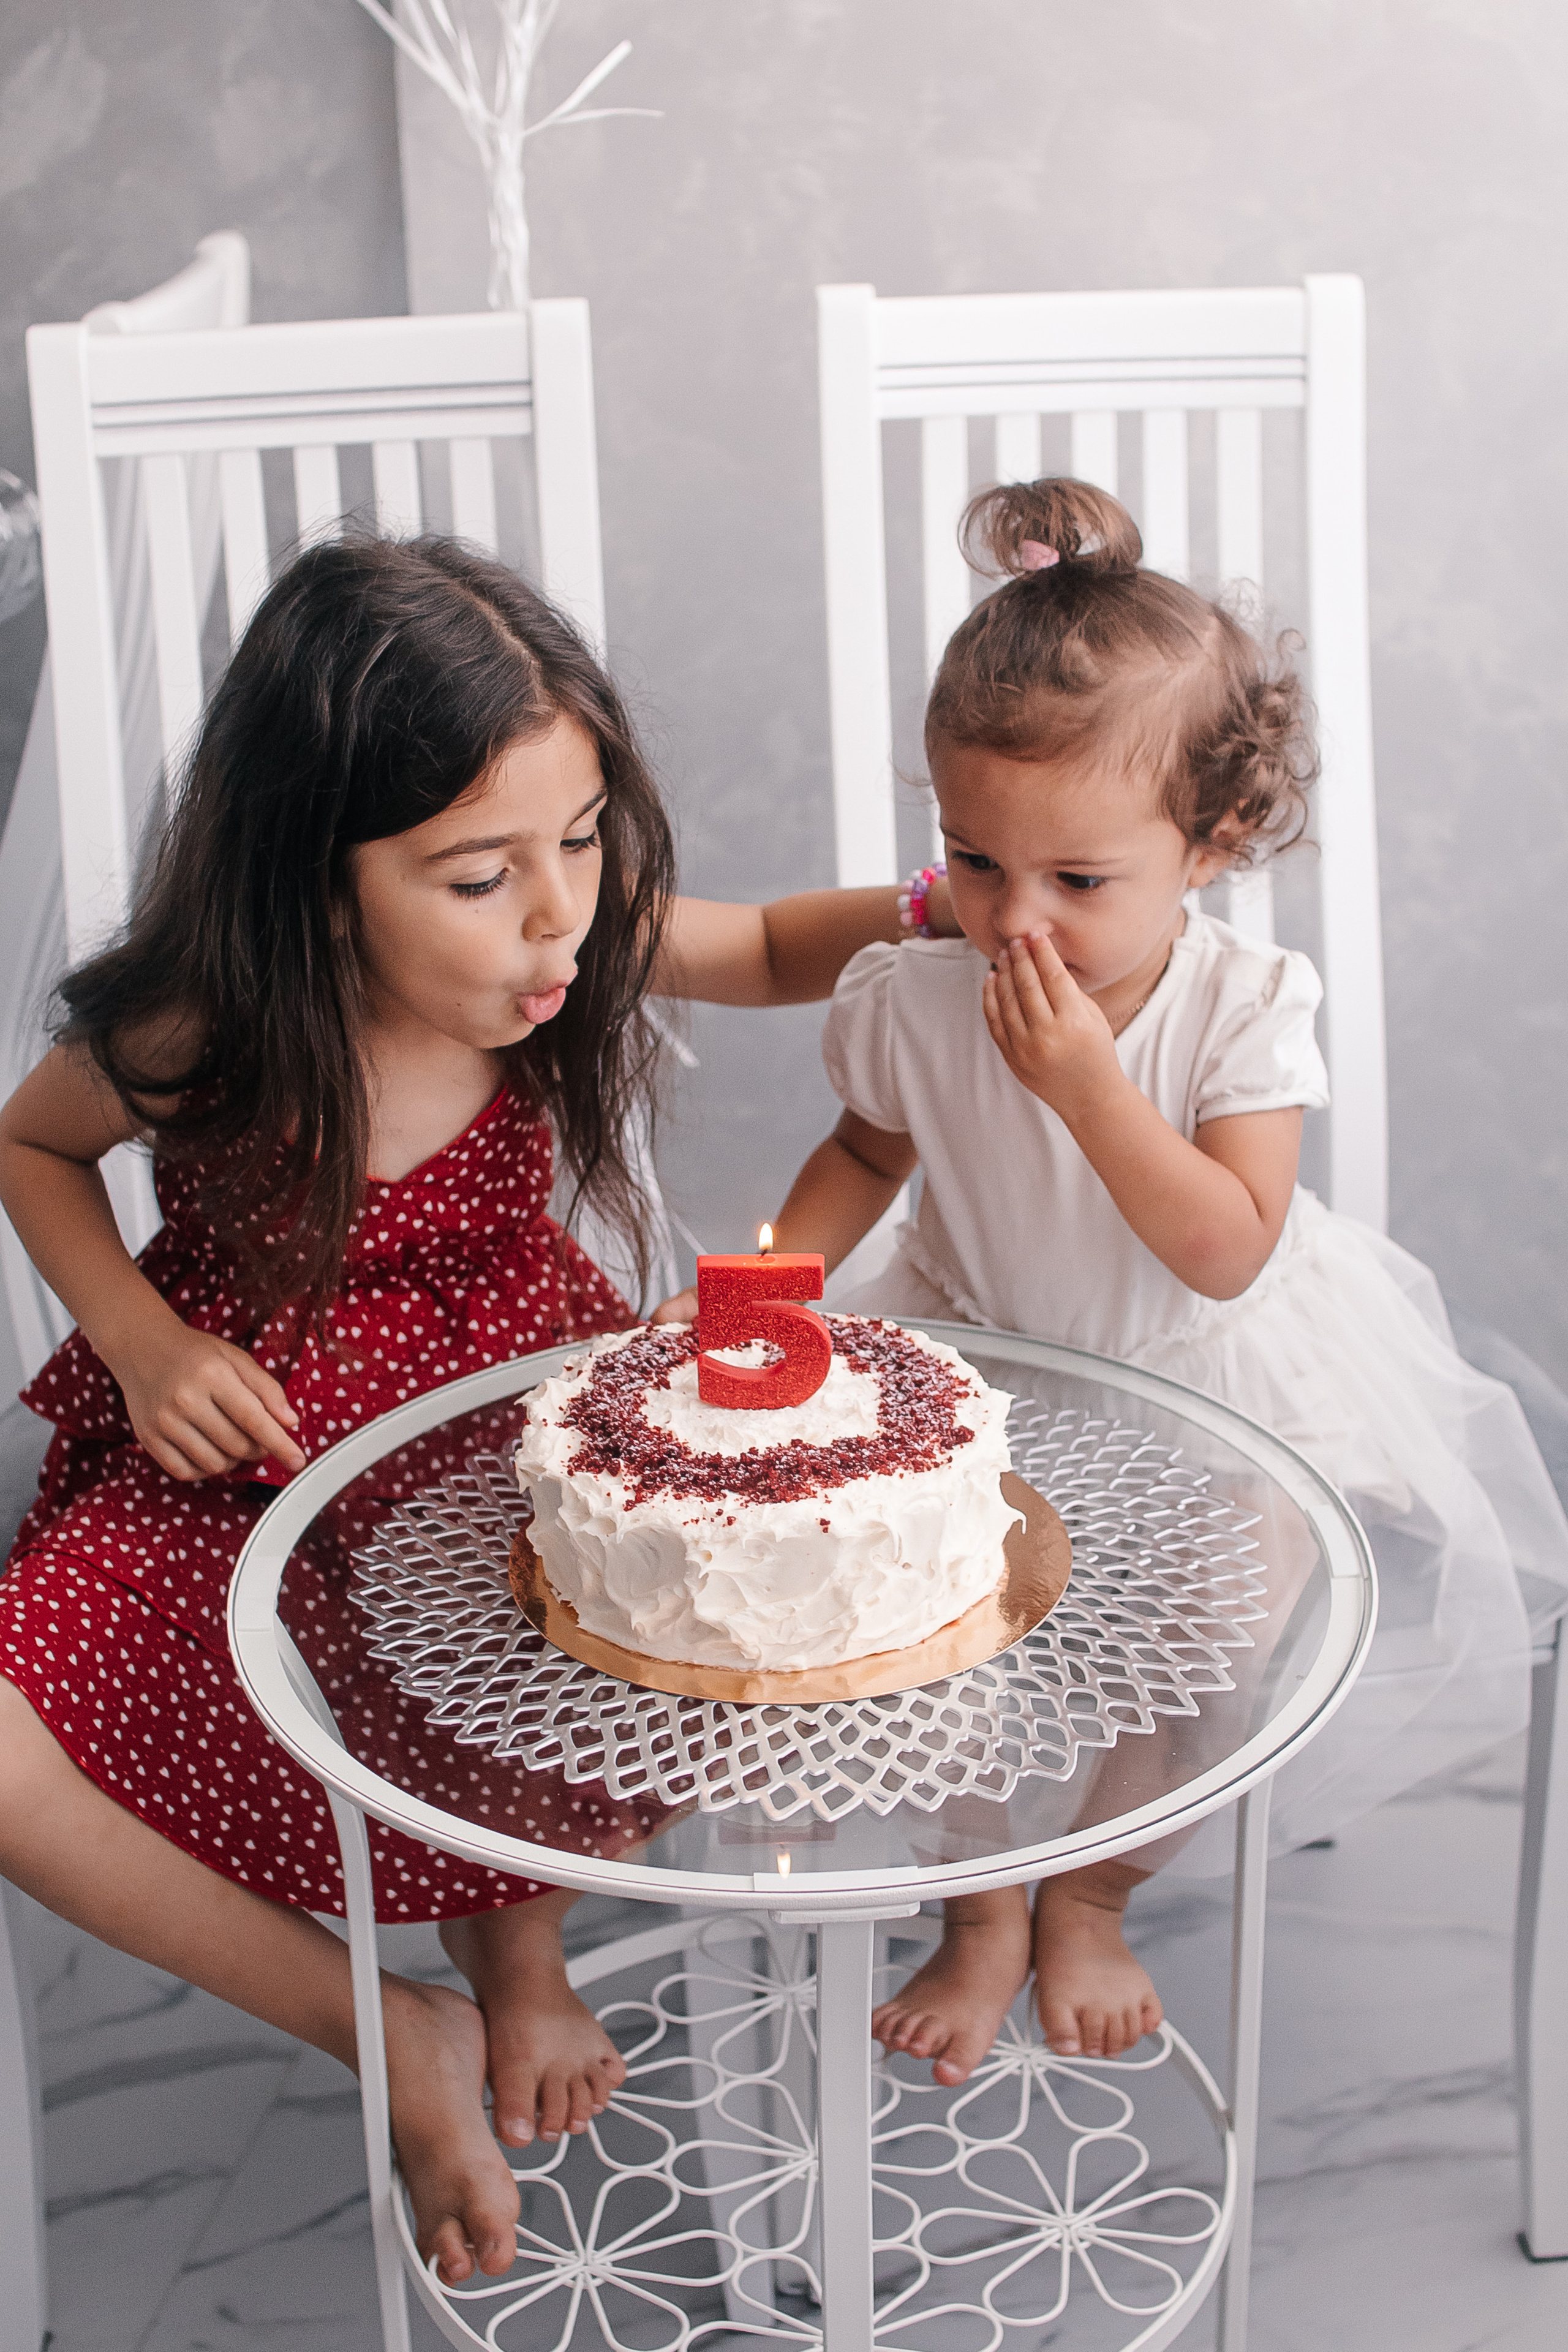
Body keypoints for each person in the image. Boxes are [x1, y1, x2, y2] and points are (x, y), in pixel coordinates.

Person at [0, 533, 921, 2288]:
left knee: (543, 1645)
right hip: (241, 1450)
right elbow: (30, 1147)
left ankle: (519, 1956)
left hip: (487, 1418)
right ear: (315, 874)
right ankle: (383, 2025)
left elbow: (782, 937)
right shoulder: (217, 1018)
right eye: (481, 876)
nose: (561, 914)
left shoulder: (571, 940)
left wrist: (944, 906)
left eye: (581, 842)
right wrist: (133, 1337)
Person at [719, 475, 1568, 2090]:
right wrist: (776, 1285)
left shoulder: (1244, 1007)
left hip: (1199, 1372)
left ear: (1214, 842)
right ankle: (976, 1910)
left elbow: (1228, 1245)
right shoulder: (915, 993)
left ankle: (1094, 1893)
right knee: (944, 1650)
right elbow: (864, 1153)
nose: (1014, 921)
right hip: (977, 1356)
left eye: (1079, 883)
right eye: (974, 861)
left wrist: (1092, 1086)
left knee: (1182, 1665)